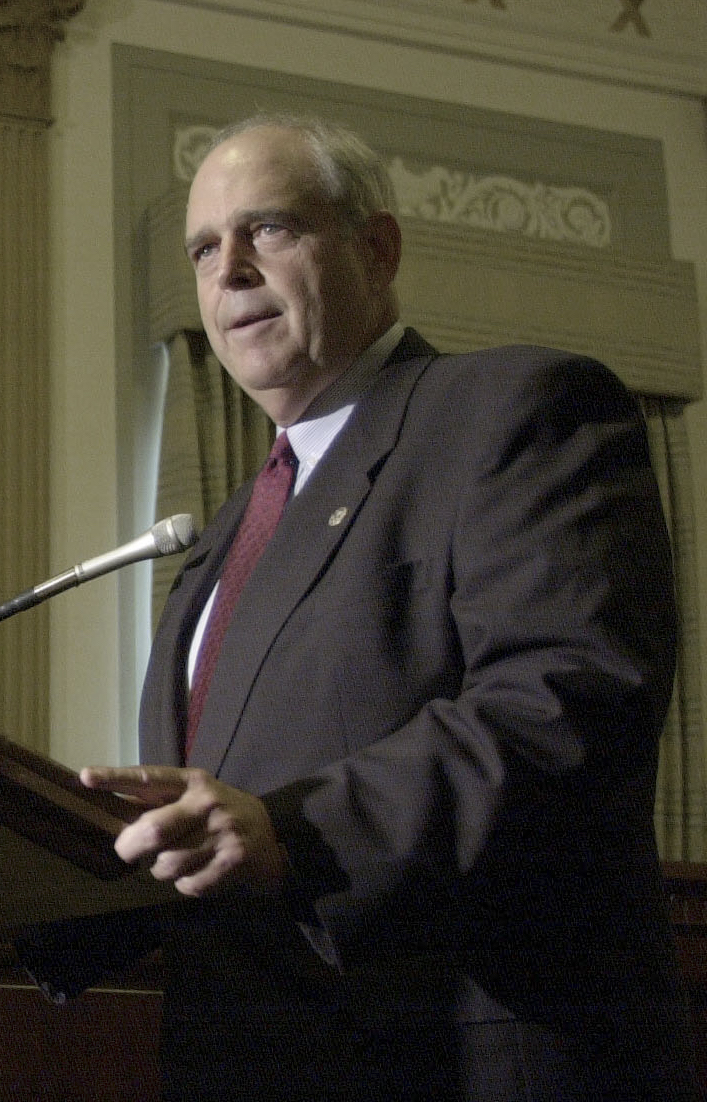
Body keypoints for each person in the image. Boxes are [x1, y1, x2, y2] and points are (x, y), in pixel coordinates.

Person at [68, 114, 696, 1099]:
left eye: (267, 229)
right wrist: (18, 898)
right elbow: (215, 831)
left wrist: (298, 833)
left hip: (465, 1055)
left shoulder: (516, 410)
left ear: (379, 247)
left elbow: (566, 706)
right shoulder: (228, 533)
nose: (229, 268)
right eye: (203, 247)